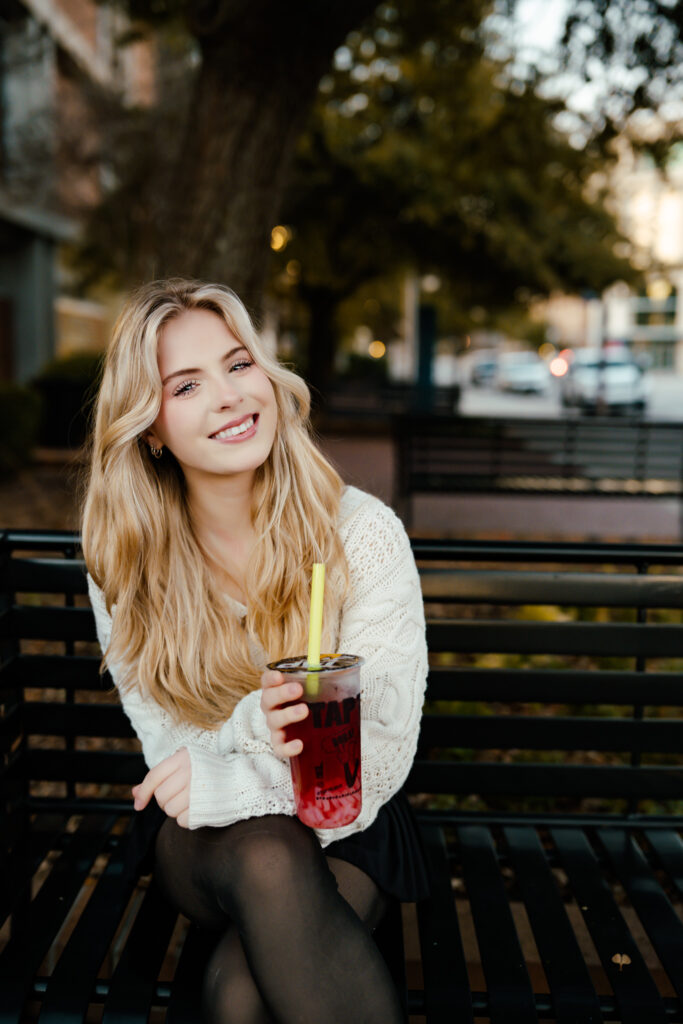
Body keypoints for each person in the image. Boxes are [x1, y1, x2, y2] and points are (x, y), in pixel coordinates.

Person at [81, 277, 429, 1024]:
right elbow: (170, 751)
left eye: (239, 366)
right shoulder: (126, 560)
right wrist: (252, 731)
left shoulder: (359, 535)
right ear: (149, 427)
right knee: (265, 852)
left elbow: (381, 750)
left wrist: (237, 764)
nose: (231, 397)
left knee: (241, 996)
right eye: (187, 385)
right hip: (204, 836)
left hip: (349, 821)